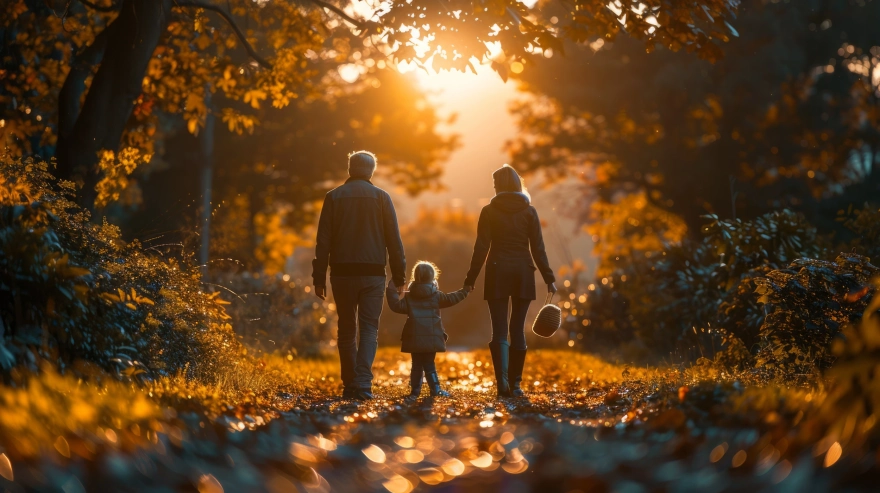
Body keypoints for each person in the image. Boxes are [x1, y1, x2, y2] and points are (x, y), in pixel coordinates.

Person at [312, 151, 406, 401]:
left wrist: (319, 278)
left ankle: (349, 383)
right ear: (371, 171)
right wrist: (399, 276)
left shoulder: (333, 197)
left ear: (350, 169)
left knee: (345, 329)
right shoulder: (382, 198)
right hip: (373, 273)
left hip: (341, 273)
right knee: (368, 329)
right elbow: (394, 242)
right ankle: (363, 382)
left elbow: (323, 242)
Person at [464, 164, 556, 398]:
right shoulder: (529, 211)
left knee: (499, 330)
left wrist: (471, 278)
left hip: (497, 271)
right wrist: (549, 278)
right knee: (518, 328)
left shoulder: (489, 211)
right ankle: (516, 383)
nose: (494, 188)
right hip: (523, 272)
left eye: (495, 184)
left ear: (502, 185)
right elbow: (538, 248)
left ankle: (502, 383)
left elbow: (481, 248)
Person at [386, 261, 468, 399]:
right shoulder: (436, 295)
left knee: (416, 364)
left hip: (414, 336)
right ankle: (435, 389)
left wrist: (391, 289)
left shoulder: (409, 296)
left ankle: (415, 392)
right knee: (429, 363)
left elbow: (395, 305)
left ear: (415, 276)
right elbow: (452, 299)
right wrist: (465, 291)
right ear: (432, 277)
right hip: (432, 336)